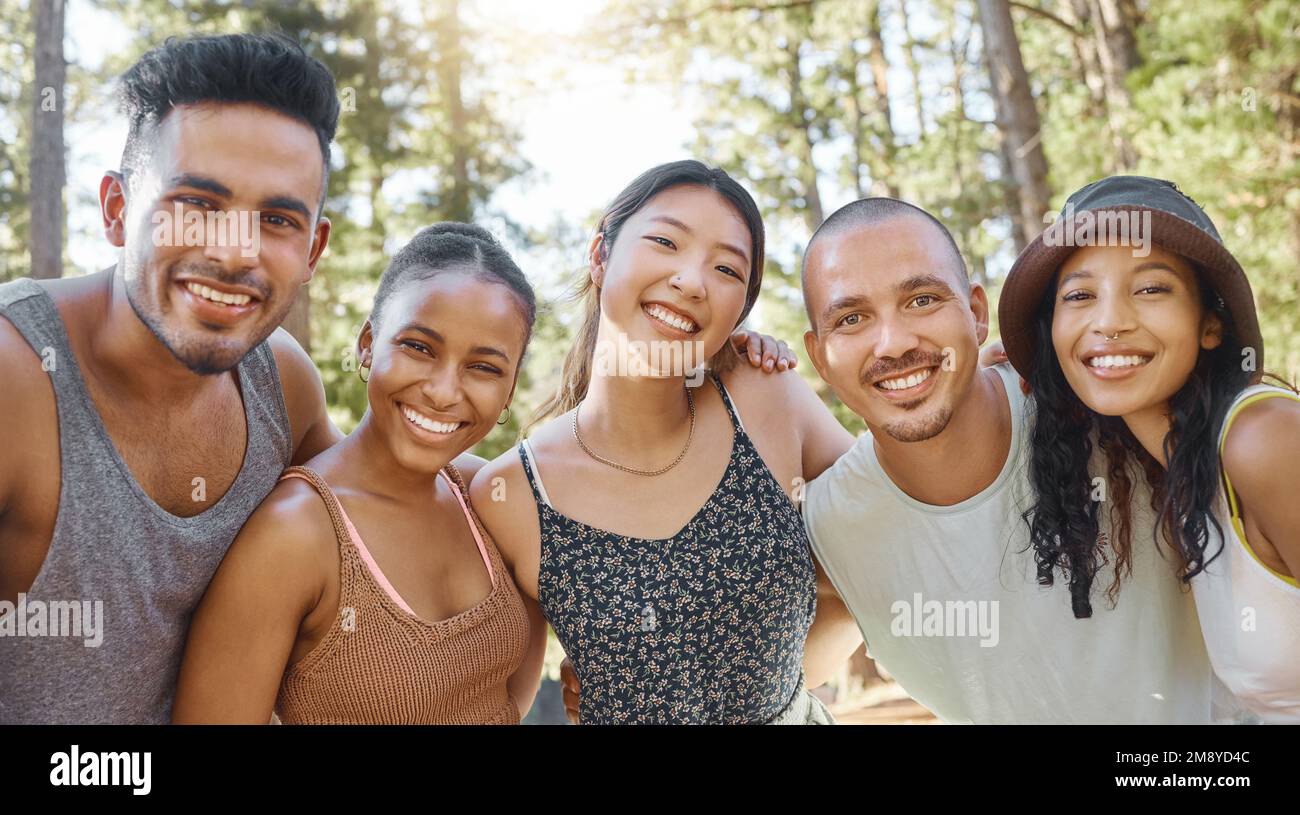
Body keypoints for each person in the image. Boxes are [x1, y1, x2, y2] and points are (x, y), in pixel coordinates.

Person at [0, 33, 344, 724]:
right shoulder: (15, 378)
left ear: (312, 249)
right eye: (198, 203)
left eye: (276, 219)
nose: (235, 253)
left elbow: (389, 511)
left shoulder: (283, 385)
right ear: (117, 209)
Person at [795, 197, 1216, 723]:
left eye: (922, 300)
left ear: (976, 314)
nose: (894, 343)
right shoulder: (830, 531)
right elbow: (750, 686)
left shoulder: (1108, 414)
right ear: (819, 356)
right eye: (852, 318)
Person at [471, 160, 863, 724]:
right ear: (600, 255)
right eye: (665, 241)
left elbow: (890, 525)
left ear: (740, 310)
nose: (692, 281)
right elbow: (497, 698)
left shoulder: (768, 399)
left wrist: (776, 689)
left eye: (726, 269)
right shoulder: (511, 493)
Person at [173, 224, 550, 724]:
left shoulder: (486, 495)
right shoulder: (295, 534)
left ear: (510, 389)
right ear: (368, 344)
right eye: (419, 347)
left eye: (484, 367)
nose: (442, 392)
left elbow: (509, 701)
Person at [997, 175, 1300, 723]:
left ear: (1211, 324)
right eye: (1079, 296)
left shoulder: (1262, 438)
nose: (1110, 322)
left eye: (1151, 289)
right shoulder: (1176, 469)